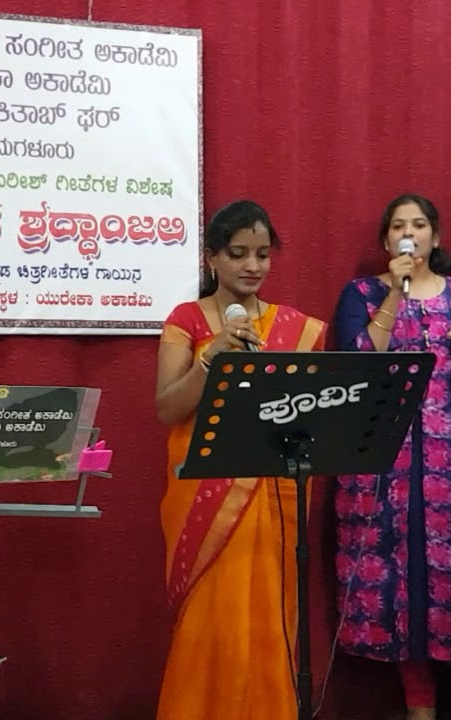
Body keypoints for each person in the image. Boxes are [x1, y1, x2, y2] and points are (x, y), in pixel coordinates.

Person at [330, 193, 451, 720]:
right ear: (386, 241)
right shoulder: (362, 293)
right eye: (397, 225)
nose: (408, 233)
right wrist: (394, 291)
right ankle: (419, 704)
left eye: (419, 225)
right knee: (400, 572)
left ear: (436, 238)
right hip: (383, 455)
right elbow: (358, 362)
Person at [154, 200, 328, 720]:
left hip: (276, 492)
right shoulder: (187, 320)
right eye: (237, 254)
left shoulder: (296, 330)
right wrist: (214, 358)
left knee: (270, 616)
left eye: (261, 254)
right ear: (211, 259)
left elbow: (311, 411)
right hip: (205, 492)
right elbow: (167, 407)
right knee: (217, 616)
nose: (252, 266)